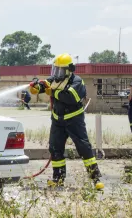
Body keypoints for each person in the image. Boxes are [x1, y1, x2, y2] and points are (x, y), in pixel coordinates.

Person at [29, 53, 104, 190]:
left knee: (84, 147)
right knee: (55, 148)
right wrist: (36, 87)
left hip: (74, 120)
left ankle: (95, 178)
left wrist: (51, 92)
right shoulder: (55, 79)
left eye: (60, 70)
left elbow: (70, 97)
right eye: (55, 69)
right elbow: (45, 84)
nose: (57, 73)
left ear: (69, 70)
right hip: (58, 120)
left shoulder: (77, 82)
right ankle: (58, 179)